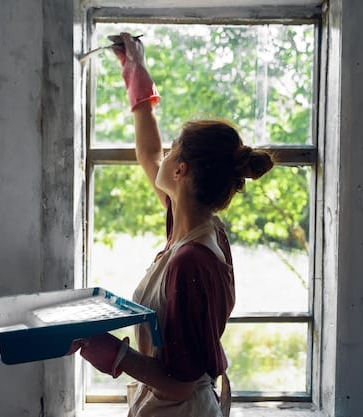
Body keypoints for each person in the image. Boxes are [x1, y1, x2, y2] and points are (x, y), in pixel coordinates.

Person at [77, 32, 274, 417]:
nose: (162, 156)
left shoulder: (191, 260)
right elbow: (149, 153)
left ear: (181, 171)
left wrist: (116, 354)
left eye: (172, 151)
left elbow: (181, 382)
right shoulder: (197, 228)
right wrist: (135, 74)